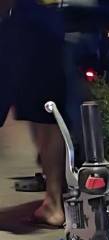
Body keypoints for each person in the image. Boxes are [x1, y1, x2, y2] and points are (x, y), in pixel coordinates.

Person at [0, 0, 66, 227]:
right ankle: (53, 204)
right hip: (46, 22)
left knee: (44, 116)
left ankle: (53, 204)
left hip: (20, 21)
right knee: (45, 115)